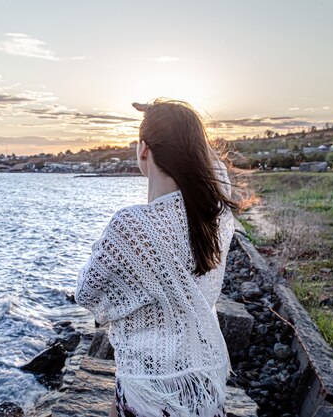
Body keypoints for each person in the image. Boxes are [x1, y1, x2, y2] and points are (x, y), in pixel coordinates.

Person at [75, 98, 240, 417]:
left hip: (149, 392)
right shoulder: (216, 214)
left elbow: (87, 293)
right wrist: (172, 118)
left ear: (143, 150)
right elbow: (217, 170)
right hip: (202, 386)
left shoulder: (131, 227)